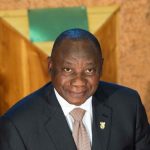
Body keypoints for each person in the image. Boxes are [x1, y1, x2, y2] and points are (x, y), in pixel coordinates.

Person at [0, 28, 150, 150]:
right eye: (67, 69)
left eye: (89, 70)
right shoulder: (17, 125)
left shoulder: (128, 105)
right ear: (51, 66)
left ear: (101, 67)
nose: (79, 82)